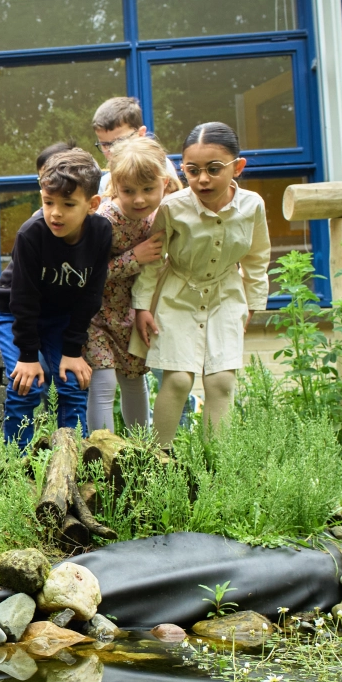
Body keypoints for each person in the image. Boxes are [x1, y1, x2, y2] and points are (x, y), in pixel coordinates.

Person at [133, 122, 271, 447]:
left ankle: (212, 467)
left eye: (214, 169)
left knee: (222, 381)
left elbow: (257, 258)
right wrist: (142, 307)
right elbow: (153, 260)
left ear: (238, 167)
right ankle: (159, 460)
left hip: (227, 296)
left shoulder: (253, 206)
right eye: (193, 170)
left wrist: (252, 304)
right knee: (179, 379)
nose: (203, 179)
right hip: (177, 295)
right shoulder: (172, 207)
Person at [0, 148, 113, 447]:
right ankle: (16, 465)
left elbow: (91, 295)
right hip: (14, 313)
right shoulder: (31, 234)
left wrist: (73, 349)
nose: (55, 212)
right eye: (48, 202)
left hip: (62, 317)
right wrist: (29, 357)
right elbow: (23, 300)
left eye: (68, 204)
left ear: (92, 204)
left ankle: (72, 459)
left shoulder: (101, 232)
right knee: (28, 383)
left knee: (72, 383)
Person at [86, 136, 177, 432]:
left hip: (132, 315)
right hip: (96, 316)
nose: (139, 199)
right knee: (103, 382)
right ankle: (99, 451)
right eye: (128, 191)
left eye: (148, 190)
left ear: (164, 182)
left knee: (134, 380)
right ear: (115, 185)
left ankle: (140, 450)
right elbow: (86, 274)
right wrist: (133, 258)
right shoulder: (103, 221)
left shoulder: (159, 217)